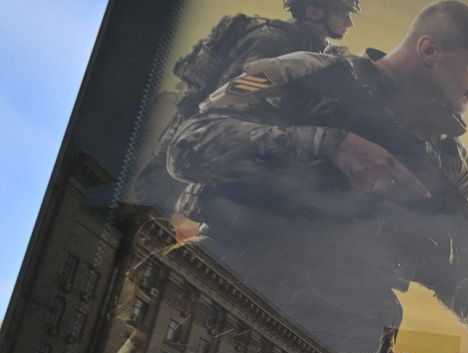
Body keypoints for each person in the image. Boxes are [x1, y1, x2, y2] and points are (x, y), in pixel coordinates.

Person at [167, 0, 468, 353]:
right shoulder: (307, 72)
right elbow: (189, 146)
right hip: (219, 292)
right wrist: (328, 143)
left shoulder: (453, 165)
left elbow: (455, 259)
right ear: (429, 50)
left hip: (337, 344)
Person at [133, 0, 362, 210]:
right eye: (342, 13)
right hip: (202, 131)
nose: (349, 22)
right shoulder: (274, 39)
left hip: (229, 135)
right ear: (314, 12)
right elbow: (240, 89)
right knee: (153, 201)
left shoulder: (310, 45)